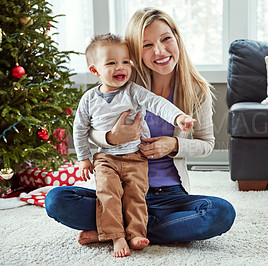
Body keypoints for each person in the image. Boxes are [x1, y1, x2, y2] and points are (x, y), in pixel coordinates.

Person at [45, 7, 235, 248]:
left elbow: (206, 144)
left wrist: (174, 144)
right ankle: (135, 227)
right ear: (135, 51)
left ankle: (117, 229)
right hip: (121, 190)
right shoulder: (123, 80)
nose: (160, 51)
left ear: (177, 38)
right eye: (147, 45)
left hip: (169, 195)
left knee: (220, 212)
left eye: (166, 38)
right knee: (56, 200)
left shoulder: (196, 89)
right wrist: (112, 137)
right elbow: (88, 128)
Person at [73, 33, 195, 257]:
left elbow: (158, 104)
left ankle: (136, 233)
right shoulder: (89, 99)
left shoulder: (133, 91)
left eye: (125, 62)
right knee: (107, 193)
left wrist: (179, 118)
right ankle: (116, 235)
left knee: (135, 195)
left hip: (135, 157)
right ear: (95, 70)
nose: (120, 67)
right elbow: (80, 129)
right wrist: (83, 158)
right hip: (106, 159)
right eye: (111, 63)